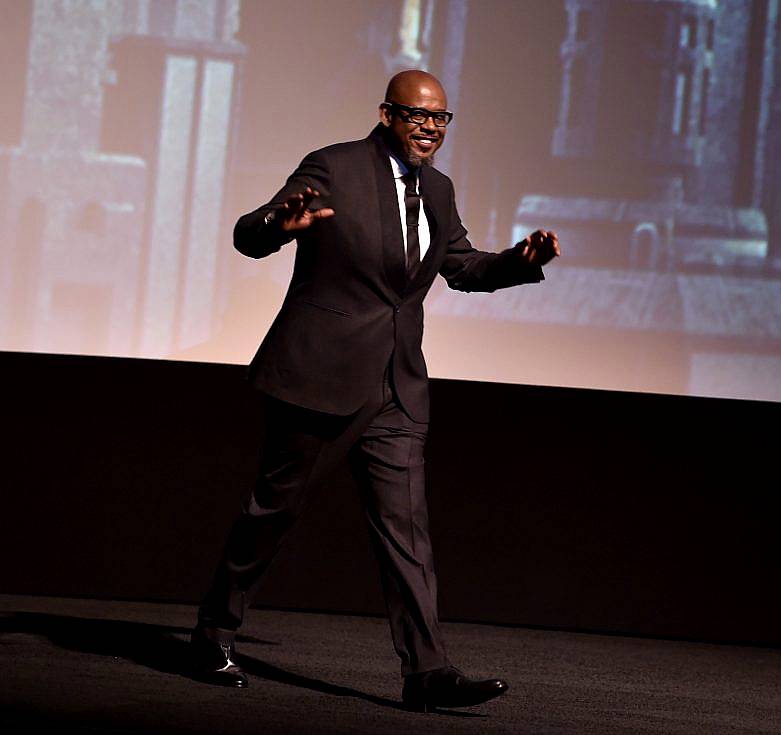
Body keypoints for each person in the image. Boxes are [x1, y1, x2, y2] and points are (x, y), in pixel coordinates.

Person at [191, 69, 559, 712]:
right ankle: (211, 633)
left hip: (397, 387)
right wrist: (280, 224)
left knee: (406, 535)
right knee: (272, 513)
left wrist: (518, 265)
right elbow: (250, 233)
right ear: (387, 114)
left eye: (441, 118)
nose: (430, 128)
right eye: (417, 115)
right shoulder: (334, 166)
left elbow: (462, 268)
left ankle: (427, 674)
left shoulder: (438, 191)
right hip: (320, 378)